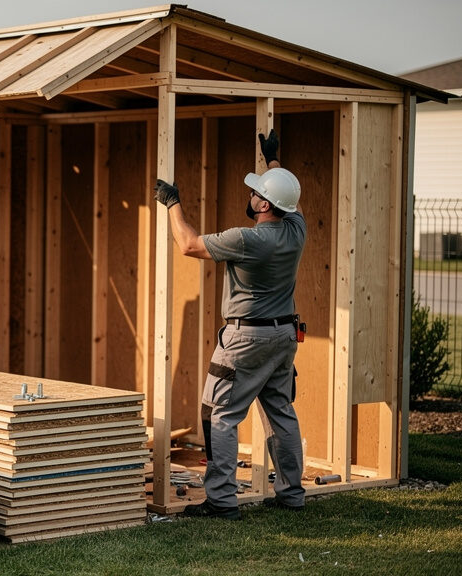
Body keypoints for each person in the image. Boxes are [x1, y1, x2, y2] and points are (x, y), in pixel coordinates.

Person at [153, 129, 306, 520]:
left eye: (257, 192)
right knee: (280, 411)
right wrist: (273, 160)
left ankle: (221, 501)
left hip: (246, 339)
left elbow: (188, 244)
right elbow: (287, 195)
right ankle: (291, 494)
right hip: (283, 335)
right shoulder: (295, 229)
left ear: (265, 205)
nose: (251, 195)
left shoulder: (249, 240)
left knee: (219, 413)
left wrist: (173, 203)